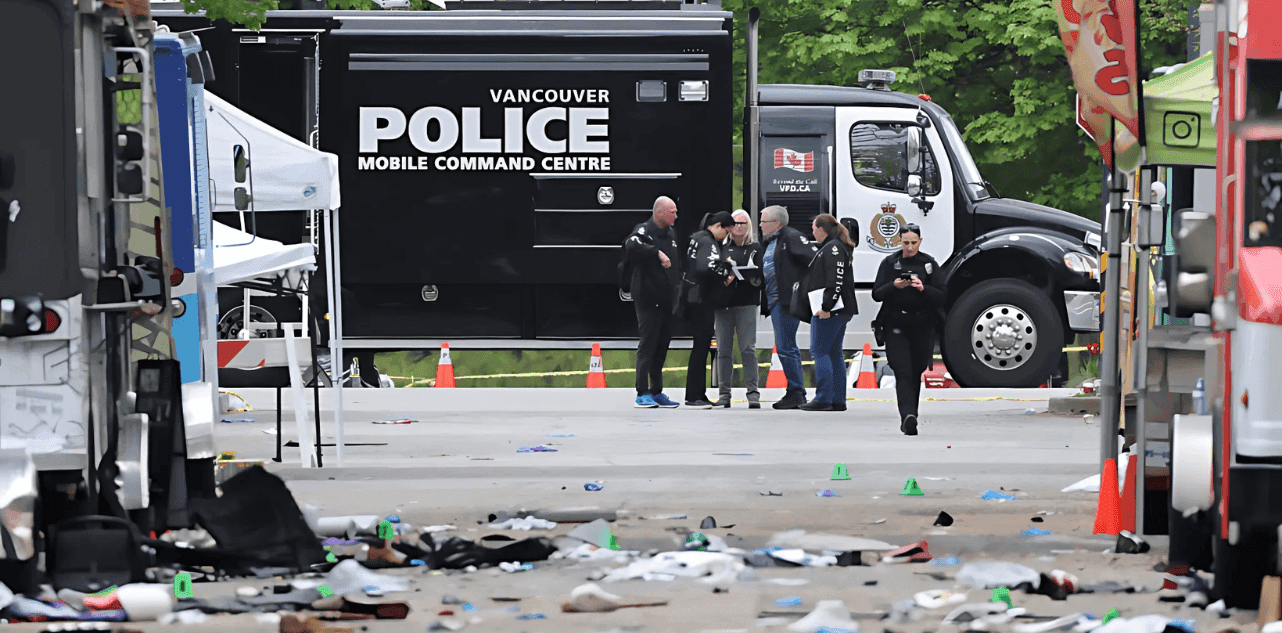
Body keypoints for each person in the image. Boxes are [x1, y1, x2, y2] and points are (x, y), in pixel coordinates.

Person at [871, 224, 945, 435]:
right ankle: (907, 416)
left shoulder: (929, 264)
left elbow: (942, 295)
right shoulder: (890, 263)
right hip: (896, 323)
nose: (909, 247)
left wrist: (923, 288)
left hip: (923, 325)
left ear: (920, 241)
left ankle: (912, 413)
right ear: (899, 241)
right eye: (905, 243)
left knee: (916, 371)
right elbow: (877, 294)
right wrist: (894, 286)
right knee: (902, 371)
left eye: (913, 243)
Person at [624, 196, 684, 408]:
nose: (676, 215)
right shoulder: (643, 230)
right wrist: (656, 252)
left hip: (668, 300)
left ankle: (657, 390)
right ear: (659, 212)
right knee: (648, 345)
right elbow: (630, 244)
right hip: (649, 300)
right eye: (672, 211)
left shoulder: (671, 233)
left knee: (662, 346)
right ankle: (642, 392)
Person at [758, 205, 819, 409]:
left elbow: (813, 261)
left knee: (786, 346)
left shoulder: (791, 237)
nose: (760, 224)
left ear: (776, 224)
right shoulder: (772, 241)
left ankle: (796, 392)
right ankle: (795, 390)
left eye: (763, 221)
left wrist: (798, 288)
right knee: (784, 346)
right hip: (775, 301)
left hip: (785, 301)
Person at [801, 214, 858, 412]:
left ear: (822, 229)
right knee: (834, 353)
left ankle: (824, 397)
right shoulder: (833, 247)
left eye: (814, 228)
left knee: (820, 351)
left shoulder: (832, 248)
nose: (812, 232)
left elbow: (835, 280)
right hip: (838, 308)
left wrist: (826, 307)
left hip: (831, 310)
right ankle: (837, 399)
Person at [682, 211, 737, 409]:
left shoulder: (696, 238)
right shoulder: (708, 242)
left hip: (692, 297)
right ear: (719, 226)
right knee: (701, 346)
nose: (727, 236)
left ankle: (698, 393)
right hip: (701, 299)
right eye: (727, 231)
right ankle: (694, 395)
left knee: (701, 346)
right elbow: (708, 266)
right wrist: (727, 269)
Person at [712, 209, 763, 409]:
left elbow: (760, 273)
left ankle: (753, 393)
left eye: (743, 223)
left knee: (747, 348)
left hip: (747, 302)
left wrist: (742, 271)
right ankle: (724, 393)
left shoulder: (756, 248)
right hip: (724, 304)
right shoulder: (721, 247)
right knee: (723, 349)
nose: (739, 227)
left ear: (748, 226)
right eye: (736, 223)